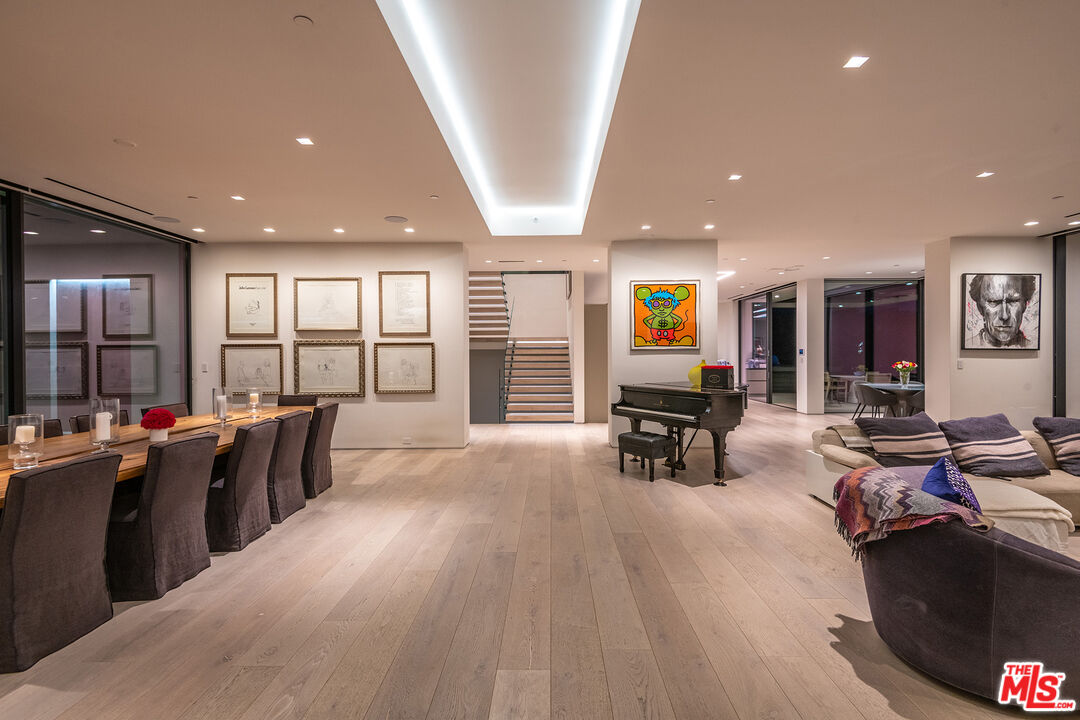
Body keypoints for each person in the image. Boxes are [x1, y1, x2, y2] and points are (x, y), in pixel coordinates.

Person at [967, 274, 1038, 348]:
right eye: (993, 301)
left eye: (1013, 301)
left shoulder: (1031, 346)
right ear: (980, 308)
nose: (1004, 316)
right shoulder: (969, 344)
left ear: (1024, 305)